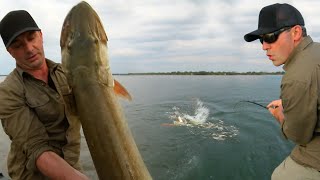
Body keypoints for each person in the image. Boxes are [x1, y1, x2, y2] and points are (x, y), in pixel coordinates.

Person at [0, 10, 88, 179]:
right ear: (10, 51)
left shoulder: (67, 74)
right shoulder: (7, 92)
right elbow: (37, 149)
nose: (29, 48)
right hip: (34, 175)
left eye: (31, 38)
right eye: (18, 45)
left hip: (72, 165)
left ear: (41, 35)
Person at [244, 3, 320, 179]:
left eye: (270, 37)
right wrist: (289, 104)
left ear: (295, 33)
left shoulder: (296, 79)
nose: (264, 46)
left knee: (280, 176)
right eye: (262, 39)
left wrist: (282, 116)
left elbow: (298, 136)